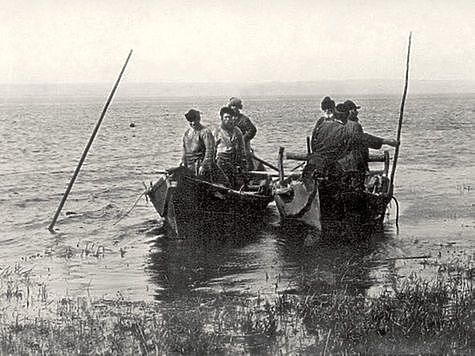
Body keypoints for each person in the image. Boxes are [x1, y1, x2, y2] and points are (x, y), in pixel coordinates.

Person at [213, 107, 247, 188]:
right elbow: (212, 149)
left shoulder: (237, 131)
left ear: (233, 118)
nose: (228, 119)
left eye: (230, 117)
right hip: (221, 161)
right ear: (222, 118)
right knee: (223, 183)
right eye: (226, 117)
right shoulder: (217, 131)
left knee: (236, 183)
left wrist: (243, 162)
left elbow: (242, 148)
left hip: (233, 160)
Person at [181, 109, 215, 179]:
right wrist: (183, 162)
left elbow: (210, 150)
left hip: (200, 165)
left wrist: (204, 166)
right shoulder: (187, 133)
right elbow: (185, 150)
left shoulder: (205, 132)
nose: (193, 123)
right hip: (189, 165)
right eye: (190, 121)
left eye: (195, 120)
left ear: (198, 119)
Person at [228, 97, 257, 170]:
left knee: (246, 160)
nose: (233, 108)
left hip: (243, 144)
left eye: (235, 106)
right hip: (230, 143)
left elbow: (252, 130)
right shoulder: (228, 118)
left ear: (239, 107)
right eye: (232, 106)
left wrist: (243, 139)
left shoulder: (244, 119)